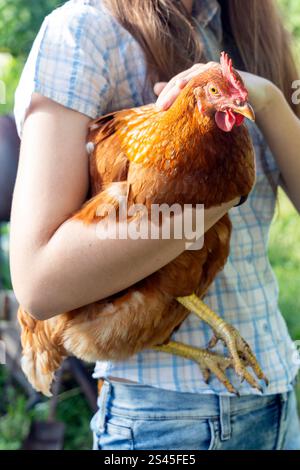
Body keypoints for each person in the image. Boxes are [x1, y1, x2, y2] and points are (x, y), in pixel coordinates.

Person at [10, 0, 300, 450]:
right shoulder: (82, 32)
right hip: (162, 418)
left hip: (276, 394)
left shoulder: (248, 26)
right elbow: (39, 283)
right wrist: (213, 199)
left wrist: (268, 98)